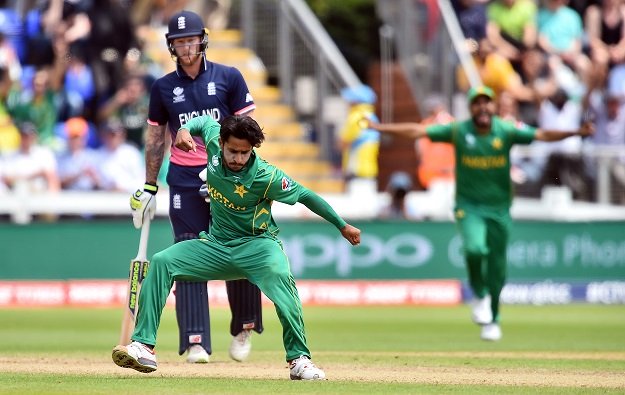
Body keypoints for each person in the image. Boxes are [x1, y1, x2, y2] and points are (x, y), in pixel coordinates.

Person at [112, 114, 361, 379]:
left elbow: (306, 195)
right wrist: (184, 129)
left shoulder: (267, 176)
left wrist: (341, 225)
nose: (238, 159)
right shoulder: (213, 142)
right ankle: (144, 346)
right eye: (233, 151)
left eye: (245, 153)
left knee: (281, 279)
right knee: (162, 261)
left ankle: (299, 360)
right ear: (221, 143)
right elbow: (204, 121)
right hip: (216, 246)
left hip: (257, 246)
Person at [368, 86, 594, 341]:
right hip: (469, 206)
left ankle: (493, 319)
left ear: (494, 107)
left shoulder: (506, 131)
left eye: (487, 102)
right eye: (477, 103)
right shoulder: (458, 130)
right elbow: (418, 131)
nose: (483, 107)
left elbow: (542, 134)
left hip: (499, 209)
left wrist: (576, 132)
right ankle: (478, 292)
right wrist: (381, 129)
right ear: (471, 108)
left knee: (497, 267)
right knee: (475, 250)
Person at [128, 10, 262, 365]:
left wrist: (243, 174)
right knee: (187, 253)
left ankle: (243, 326)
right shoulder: (162, 87)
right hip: (185, 179)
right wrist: (149, 185)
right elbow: (156, 137)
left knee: (241, 246)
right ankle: (195, 340)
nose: (185, 48)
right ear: (171, 46)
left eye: (190, 40)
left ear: (201, 40)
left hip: (228, 176)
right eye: (178, 42)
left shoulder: (229, 77)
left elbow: (248, 129)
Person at [336, 84, 380, 196]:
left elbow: (343, 143)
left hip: (356, 171)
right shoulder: (372, 117)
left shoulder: (356, 117)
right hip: (370, 170)